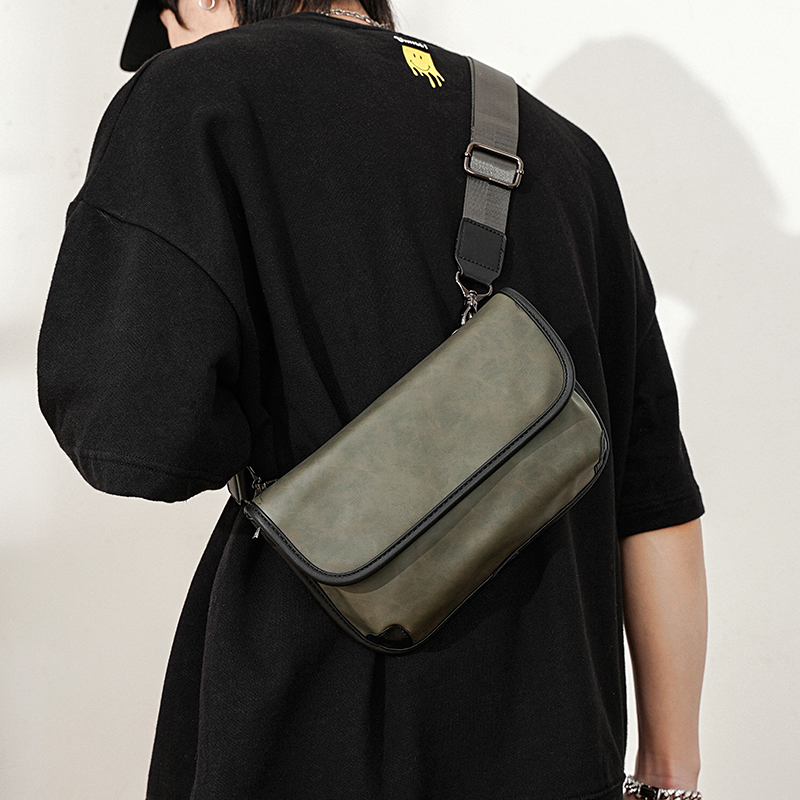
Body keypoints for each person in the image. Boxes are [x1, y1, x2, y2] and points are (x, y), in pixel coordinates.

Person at [37, 1, 707, 798]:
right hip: (559, 747)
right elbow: (654, 499)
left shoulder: (193, 93)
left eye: (172, 28)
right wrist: (669, 776)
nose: (176, 50)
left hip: (304, 735)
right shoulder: (568, 155)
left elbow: (134, 437)